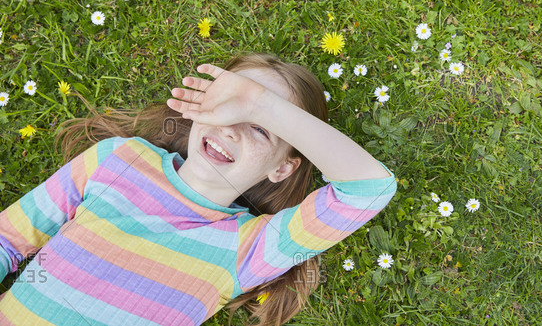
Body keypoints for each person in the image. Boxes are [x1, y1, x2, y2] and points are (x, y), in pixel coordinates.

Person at [0, 52, 396, 326]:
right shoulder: (118, 160)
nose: (229, 128)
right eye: (226, 107)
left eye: (257, 126)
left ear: (282, 168)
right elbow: (8, 241)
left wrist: (262, 103)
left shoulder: (245, 250)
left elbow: (368, 189)